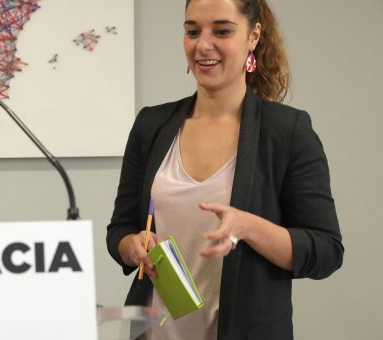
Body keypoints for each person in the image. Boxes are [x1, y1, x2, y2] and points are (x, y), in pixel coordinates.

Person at [106, 0, 343, 339]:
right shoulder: (151, 125)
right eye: (192, 31)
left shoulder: (288, 131)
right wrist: (133, 246)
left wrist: (248, 226)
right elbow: (120, 229)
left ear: (253, 36)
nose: (203, 45)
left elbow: (326, 250)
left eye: (222, 31)